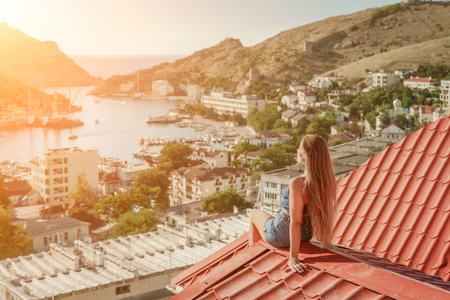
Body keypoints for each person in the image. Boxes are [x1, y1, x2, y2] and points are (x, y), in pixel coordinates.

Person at [249, 134, 336, 273]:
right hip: (307, 233)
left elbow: (295, 221)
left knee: (255, 214)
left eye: (300, 148)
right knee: (273, 214)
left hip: (283, 235)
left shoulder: (297, 183)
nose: (297, 150)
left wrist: (293, 257)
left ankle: (251, 258)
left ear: (307, 155)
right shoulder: (325, 180)